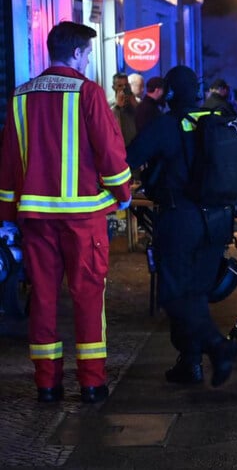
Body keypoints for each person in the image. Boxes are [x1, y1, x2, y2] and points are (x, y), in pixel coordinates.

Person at [0, 21, 132, 404]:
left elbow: (8, 162)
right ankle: (91, 383)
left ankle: (47, 385)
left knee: (42, 297)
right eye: (88, 53)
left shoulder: (20, 96)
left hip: (34, 219)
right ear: (76, 53)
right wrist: (122, 193)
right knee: (88, 295)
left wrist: (8, 218)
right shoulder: (87, 93)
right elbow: (110, 151)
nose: (89, 60)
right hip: (83, 217)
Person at [125, 66, 237, 387]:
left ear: (170, 93)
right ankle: (190, 363)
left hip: (182, 218)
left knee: (175, 294)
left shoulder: (166, 124)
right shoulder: (213, 118)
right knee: (196, 294)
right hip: (218, 219)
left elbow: (128, 158)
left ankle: (218, 348)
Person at [111, 72, 138, 146]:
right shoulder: (108, 105)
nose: (123, 88)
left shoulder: (136, 102)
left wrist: (136, 105)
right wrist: (117, 106)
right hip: (118, 147)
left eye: (126, 85)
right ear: (114, 87)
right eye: (120, 86)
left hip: (135, 146)